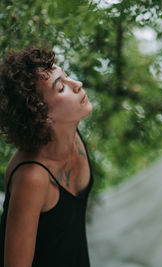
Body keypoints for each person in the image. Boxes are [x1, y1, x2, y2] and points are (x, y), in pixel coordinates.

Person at [0, 47, 93, 267]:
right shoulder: (32, 177)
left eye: (67, 76)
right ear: (42, 116)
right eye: (62, 88)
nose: (77, 84)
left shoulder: (73, 133)